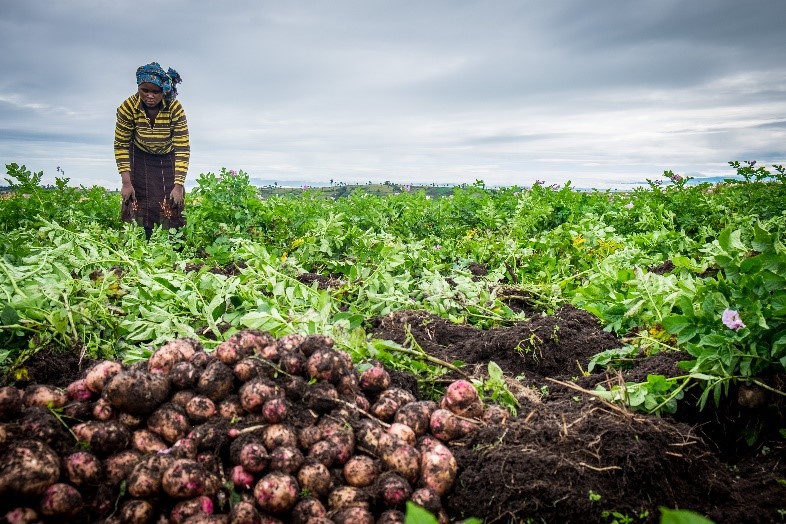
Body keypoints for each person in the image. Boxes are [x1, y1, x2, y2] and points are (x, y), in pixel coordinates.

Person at [114, 62, 190, 240]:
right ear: (138, 88)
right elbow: (121, 144)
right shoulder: (128, 108)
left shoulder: (175, 109)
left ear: (164, 91)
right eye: (144, 90)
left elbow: (182, 147)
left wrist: (178, 185)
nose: (150, 96)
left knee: (172, 200)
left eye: (155, 91)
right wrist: (126, 182)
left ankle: (173, 242)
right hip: (139, 154)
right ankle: (138, 241)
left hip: (167, 155)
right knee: (136, 197)